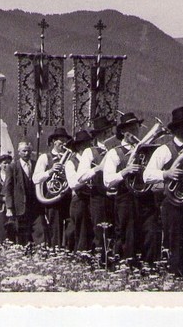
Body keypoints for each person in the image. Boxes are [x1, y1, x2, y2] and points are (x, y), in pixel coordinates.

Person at [144, 106, 183, 275]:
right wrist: (166, 173)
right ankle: (177, 274)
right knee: (176, 240)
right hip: (173, 203)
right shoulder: (164, 150)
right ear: (179, 128)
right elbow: (147, 175)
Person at [103, 112, 144, 261]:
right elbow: (107, 181)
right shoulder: (115, 152)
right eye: (130, 129)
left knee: (145, 232)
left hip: (143, 196)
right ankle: (127, 264)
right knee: (127, 232)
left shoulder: (143, 150)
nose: (135, 132)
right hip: (125, 196)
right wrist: (124, 172)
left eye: (136, 128)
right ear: (123, 132)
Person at [78, 116, 116, 253]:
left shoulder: (115, 150)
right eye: (109, 132)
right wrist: (97, 168)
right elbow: (81, 177)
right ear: (103, 134)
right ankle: (100, 263)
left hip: (114, 197)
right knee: (100, 234)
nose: (112, 134)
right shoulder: (90, 152)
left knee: (114, 233)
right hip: (98, 198)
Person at [33, 127, 73, 248]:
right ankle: (55, 253)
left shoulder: (71, 157)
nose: (64, 143)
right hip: (53, 197)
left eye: (65, 141)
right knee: (55, 228)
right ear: (54, 142)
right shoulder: (45, 157)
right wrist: (50, 171)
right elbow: (35, 178)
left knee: (71, 226)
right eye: (61, 140)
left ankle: (68, 251)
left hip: (68, 195)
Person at [4, 141, 47, 246]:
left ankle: (40, 253)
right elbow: (8, 188)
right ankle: (23, 255)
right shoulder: (12, 167)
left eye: (28, 151)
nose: (26, 153)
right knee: (22, 233)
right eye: (24, 151)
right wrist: (9, 207)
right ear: (19, 152)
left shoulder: (36, 164)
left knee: (39, 231)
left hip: (35, 206)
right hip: (20, 207)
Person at [64, 129, 95, 252]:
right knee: (81, 232)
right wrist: (88, 176)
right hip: (79, 200)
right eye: (87, 144)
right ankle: (79, 257)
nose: (90, 146)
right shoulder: (71, 163)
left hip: (92, 199)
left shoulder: (91, 159)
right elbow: (73, 184)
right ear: (80, 146)